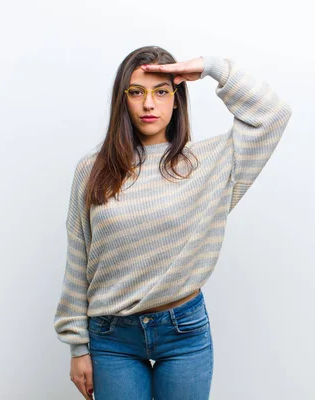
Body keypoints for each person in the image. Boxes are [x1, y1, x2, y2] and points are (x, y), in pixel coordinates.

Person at [53, 45, 293, 400]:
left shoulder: (208, 163)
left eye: (161, 92)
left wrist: (212, 68)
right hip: (112, 337)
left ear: (177, 98)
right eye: (137, 92)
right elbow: (79, 256)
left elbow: (273, 114)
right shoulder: (92, 170)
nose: (149, 104)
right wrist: (77, 347)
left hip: (183, 331)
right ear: (124, 100)